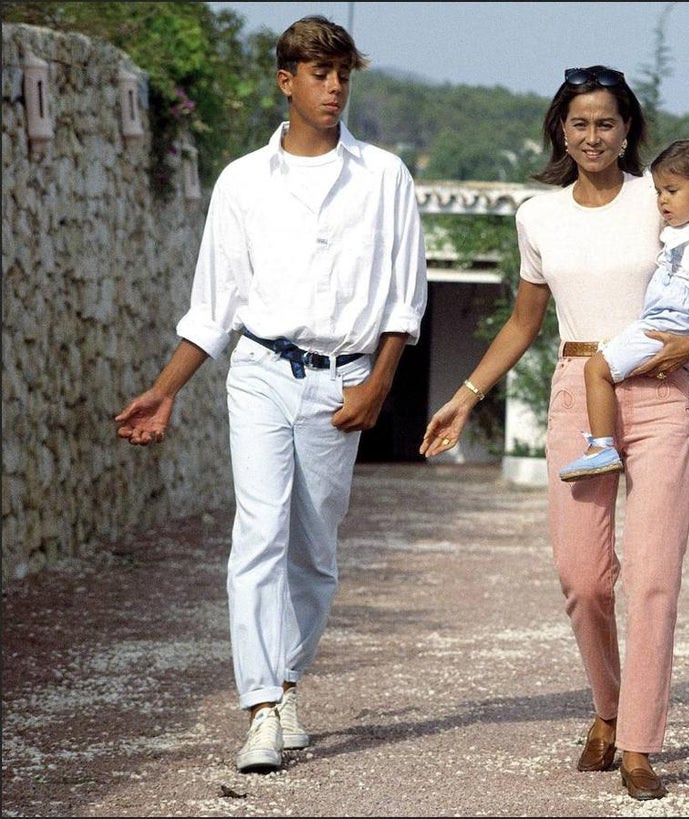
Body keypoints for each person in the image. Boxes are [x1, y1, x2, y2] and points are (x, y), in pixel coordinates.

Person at [113, 16, 427, 774]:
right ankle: (260, 705)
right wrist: (164, 391)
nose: (335, 87)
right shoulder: (243, 182)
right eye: (320, 74)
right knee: (257, 536)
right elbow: (214, 306)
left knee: (315, 550)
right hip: (257, 371)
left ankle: (287, 680)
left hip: (342, 378)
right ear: (286, 81)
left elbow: (403, 299)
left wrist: (378, 385)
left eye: (344, 74)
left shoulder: (384, 176)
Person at [420, 66, 689, 801]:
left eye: (607, 123)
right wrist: (465, 396)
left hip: (659, 393)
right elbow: (526, 321)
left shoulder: (661, 204)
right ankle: (608, 705)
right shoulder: (538, 216)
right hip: (577, 389)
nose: (594, 135)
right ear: (561, 128)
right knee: (583, 578)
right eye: (580, 122)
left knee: (653, 578)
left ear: (629, 131)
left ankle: (638, 743)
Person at [557, 139, 689, 502]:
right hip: (683, 327)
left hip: (664, 325)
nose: (663, 201)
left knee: (596, 370)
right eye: (659, 192)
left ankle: (602, 446)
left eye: (672, 191)